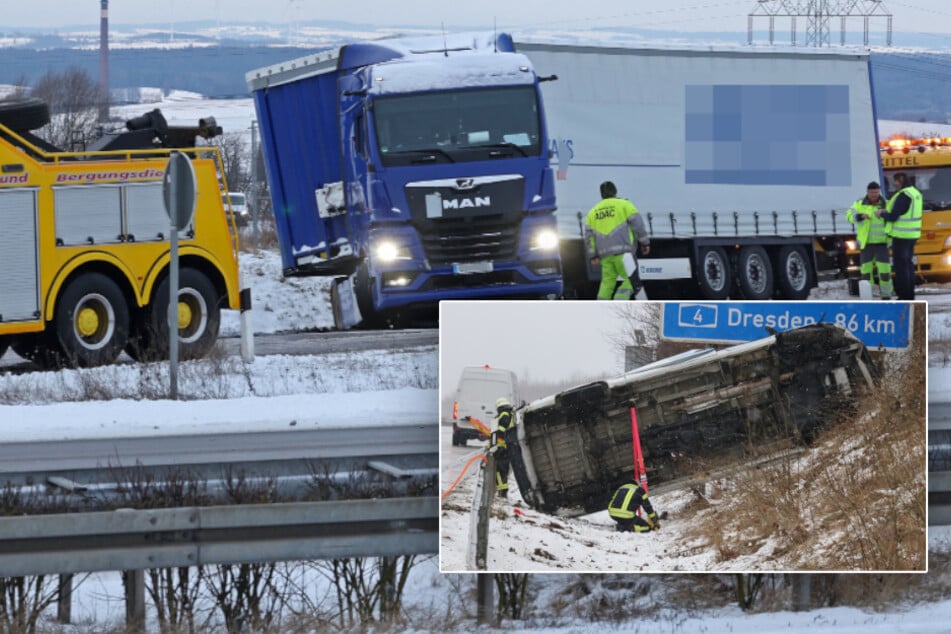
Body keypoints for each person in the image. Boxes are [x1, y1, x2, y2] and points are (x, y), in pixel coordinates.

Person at [584, 181, 650, 300]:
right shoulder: (624, 204)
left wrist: (593, 255)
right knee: (631, 280)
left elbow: (589, 237)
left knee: (607, 283)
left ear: (601, 194)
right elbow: (638, 224)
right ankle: (619, 300)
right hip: (624, 253)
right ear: (615, 191)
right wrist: (644, 242)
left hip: (605, 256)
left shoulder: (592, 212)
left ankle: (601, 308)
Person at [876, 172, 923, 300]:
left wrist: (881, 214)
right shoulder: (915, 193)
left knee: (901, 268)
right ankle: (909, 294)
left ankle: (904, 295)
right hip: (912, 235)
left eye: (895, 181)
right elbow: (903, 212)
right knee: (908, 266)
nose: (894, 183)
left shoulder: (903, 195)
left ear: (900, 180)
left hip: (901, 236)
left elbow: (893, 216)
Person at [845, 181, 892, 300]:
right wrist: (859, 216)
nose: (874, 195)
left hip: (882, 243)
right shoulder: (859, 203)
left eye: (876, 192)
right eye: (871, 192)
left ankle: (886, 296)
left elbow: (893, 218)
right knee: (865, 273)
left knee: (885, 272)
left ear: (879, 191)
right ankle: (867, 296)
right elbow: (849, 216)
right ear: (867, 192)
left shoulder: (886, 204)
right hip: (866, 244)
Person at [492, 396, 515, 498]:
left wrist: (498, 446)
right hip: (507, 447)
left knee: (500, 470)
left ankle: (502, 492)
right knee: (503, 470)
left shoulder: (504, 415)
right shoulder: (510, 414)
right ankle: (503, 491)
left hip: (503, 448)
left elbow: (500, 432)